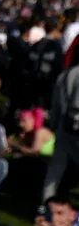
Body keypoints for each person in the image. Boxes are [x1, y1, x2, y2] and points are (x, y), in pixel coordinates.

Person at [43, 63, 79, 200]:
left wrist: (54, 124)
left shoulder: (65, 74)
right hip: (74, 130)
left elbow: (55, 105)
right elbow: (76, 107)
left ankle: (46, 206)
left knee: (55, 172)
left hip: (62, 128)